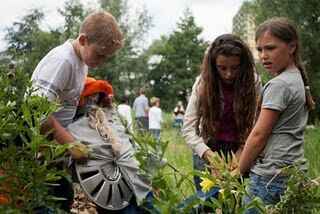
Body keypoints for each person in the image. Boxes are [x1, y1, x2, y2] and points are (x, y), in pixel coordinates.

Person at [31, 10, 123, 212]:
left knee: (63, 198)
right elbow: (37, 111)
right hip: (41, 147)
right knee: (46, 203)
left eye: (107, 57)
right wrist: (71, 144)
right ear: (83, 39)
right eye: (100, 54)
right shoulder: (63, 61)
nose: (102, 61)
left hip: (56, 147)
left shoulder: (81, 61)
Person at [239, 17, 315, 213]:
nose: (263, 55)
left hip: (269, 178)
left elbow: (258, 135)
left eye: (270, 48)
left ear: (291, 47)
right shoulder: (296, 78)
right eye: (259, 49)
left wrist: (239, 170)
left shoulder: (279, 84)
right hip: (292, 172)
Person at [182, 34, 262, 192]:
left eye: (235, 67)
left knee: (237, 201)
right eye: (222, 68)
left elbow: (257, 124)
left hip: (242, 150)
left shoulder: (254, 82)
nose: (229, 74)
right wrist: (209, 156)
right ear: (213, 65)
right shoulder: (202, 83)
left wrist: (241, 153)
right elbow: (188, 129)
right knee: (208, 203)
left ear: (243, 64)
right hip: (207, 150)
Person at [68, 77, 156, 214]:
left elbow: (128, 143)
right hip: (108, 189)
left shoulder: (111, 116)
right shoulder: (76, 127)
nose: (92, 99)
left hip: (135, 176)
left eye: (96, 94)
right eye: (90, 95)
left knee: (149, 207)